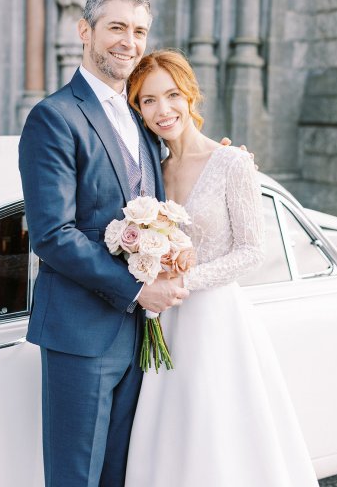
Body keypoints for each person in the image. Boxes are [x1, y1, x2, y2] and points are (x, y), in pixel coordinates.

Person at [19, 0, 190, 487]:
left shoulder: (141, 118)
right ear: (85, 31)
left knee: (121, 475)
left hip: (139, 339)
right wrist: (139, 288)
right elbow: (52, 234)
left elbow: (167, 185)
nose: (128, 42)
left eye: (139, 31)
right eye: (116, 27)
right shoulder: (54, 117)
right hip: (80, 334)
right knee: (76, 478)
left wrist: (222, 160)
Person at [125, 50, 319, 487]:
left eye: (172, 95)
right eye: (148, 100)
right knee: (171, 437)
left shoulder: (233, 162)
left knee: (222, 435)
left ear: (191, 95)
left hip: (216, 323)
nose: (163, 109)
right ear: (137, 109)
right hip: (163, 323)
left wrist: (180, 281)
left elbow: (252, 251)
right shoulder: (149, 171)